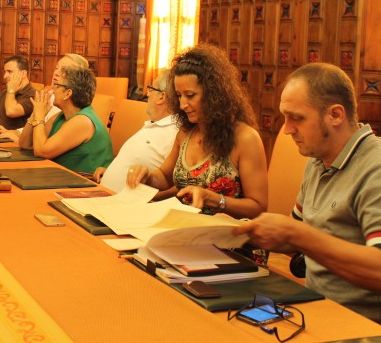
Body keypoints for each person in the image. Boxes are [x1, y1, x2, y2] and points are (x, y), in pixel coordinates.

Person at [233, 63, 381, 323]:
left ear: (335, 115)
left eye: (297, 118)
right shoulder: (317, 160)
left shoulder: (375, 166)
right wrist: (241, 232)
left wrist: (296, 234)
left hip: (359, 324)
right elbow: (297, 236)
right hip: (315, 306)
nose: (287, 129)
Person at [126, 44, 268, 219]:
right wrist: (147, 175)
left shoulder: (245, 138)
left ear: (214, 94)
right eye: (179, 95)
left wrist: (217, 200)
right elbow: (164, 177)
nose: (182, 104)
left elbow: (258, 206)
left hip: (225, 237)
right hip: (183, 228)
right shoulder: (186, 133)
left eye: (190, 95)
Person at [94, 69, 178, 193]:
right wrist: (110, 171)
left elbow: (173, 185)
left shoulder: (174, 133)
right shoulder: (153, 124)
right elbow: (136, 160)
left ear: (161, 97)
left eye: (151, 89)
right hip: (101, 191)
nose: (147, 94)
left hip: (123, 204)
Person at [18, 66, 113, 173]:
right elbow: (25, 144)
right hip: (61, 177)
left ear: (68, 93)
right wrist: (36, 113)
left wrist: (40, 116)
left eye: (57, 86)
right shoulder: (61, 116)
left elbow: (41, 151)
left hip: (86, 183)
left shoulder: (83, 121)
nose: (52, 90)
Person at [0, 55, 35, 132]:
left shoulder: (33, 94)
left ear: (23, 74)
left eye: (9, 71)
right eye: (5, 71)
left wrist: (11, 91)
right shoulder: (6, 92)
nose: (5, 76)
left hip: (14, 141)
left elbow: (11, 111)